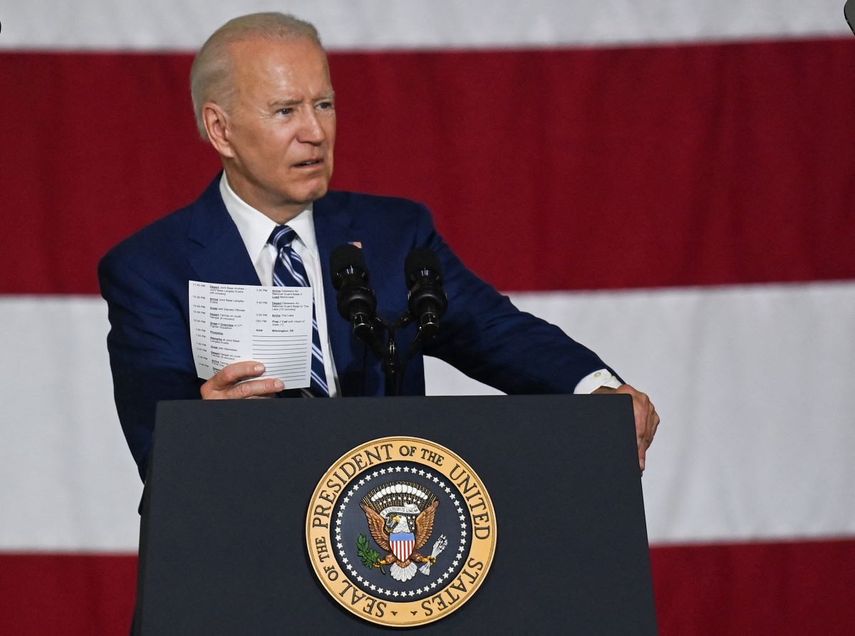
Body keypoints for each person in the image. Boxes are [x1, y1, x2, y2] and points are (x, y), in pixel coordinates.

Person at [99, 12, 659, 482]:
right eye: (285, 110)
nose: (315, 132)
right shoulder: (152, 268)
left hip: (384, 548)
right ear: (220, 130)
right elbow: (155, 438)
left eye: (324, 104)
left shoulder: (394, 235)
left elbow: (494, 330)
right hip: (238, 557)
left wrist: (596, 388)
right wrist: (203, 425)